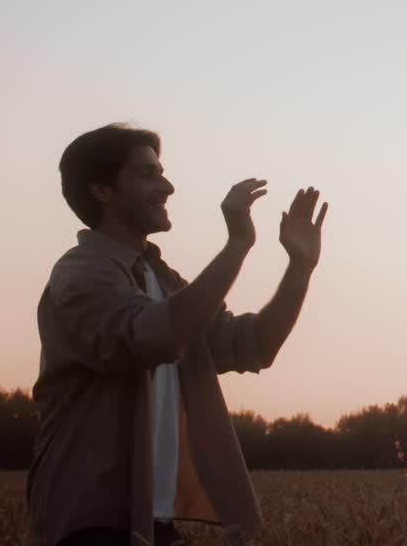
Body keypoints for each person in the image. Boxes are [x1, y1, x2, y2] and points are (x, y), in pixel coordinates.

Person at [28, 123, 328, 546]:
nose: (167, 187)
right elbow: (157, 337)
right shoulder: (81, 272)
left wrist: (300, 266)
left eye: (161, 172)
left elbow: (254, 346)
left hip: (153, 517)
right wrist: (238, 244)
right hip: (93, 517)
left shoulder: (164, 280)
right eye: (147, 174)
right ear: (102, 191)